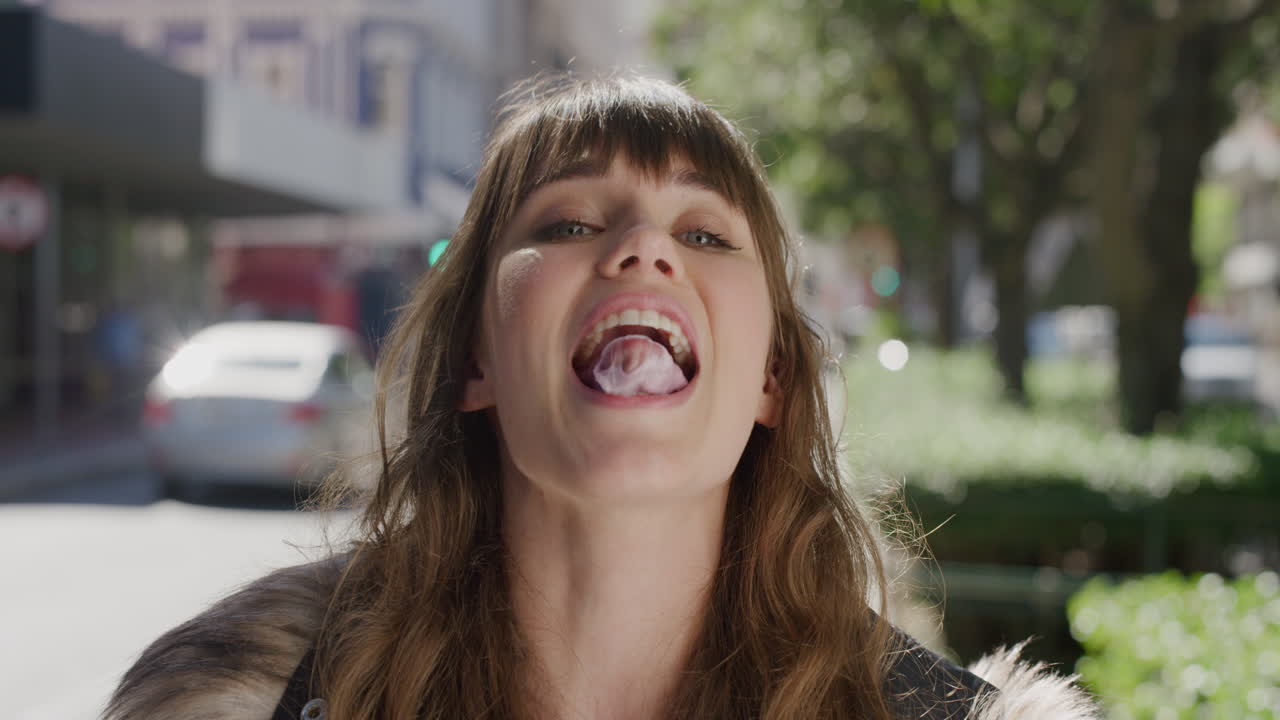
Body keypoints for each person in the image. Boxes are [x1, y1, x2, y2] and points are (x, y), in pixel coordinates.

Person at [105, 75, 1099, 720]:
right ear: (473, 362)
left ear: (770, 379)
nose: (643, 247)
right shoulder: (241, 698)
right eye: (572, 220)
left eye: (705, 235)